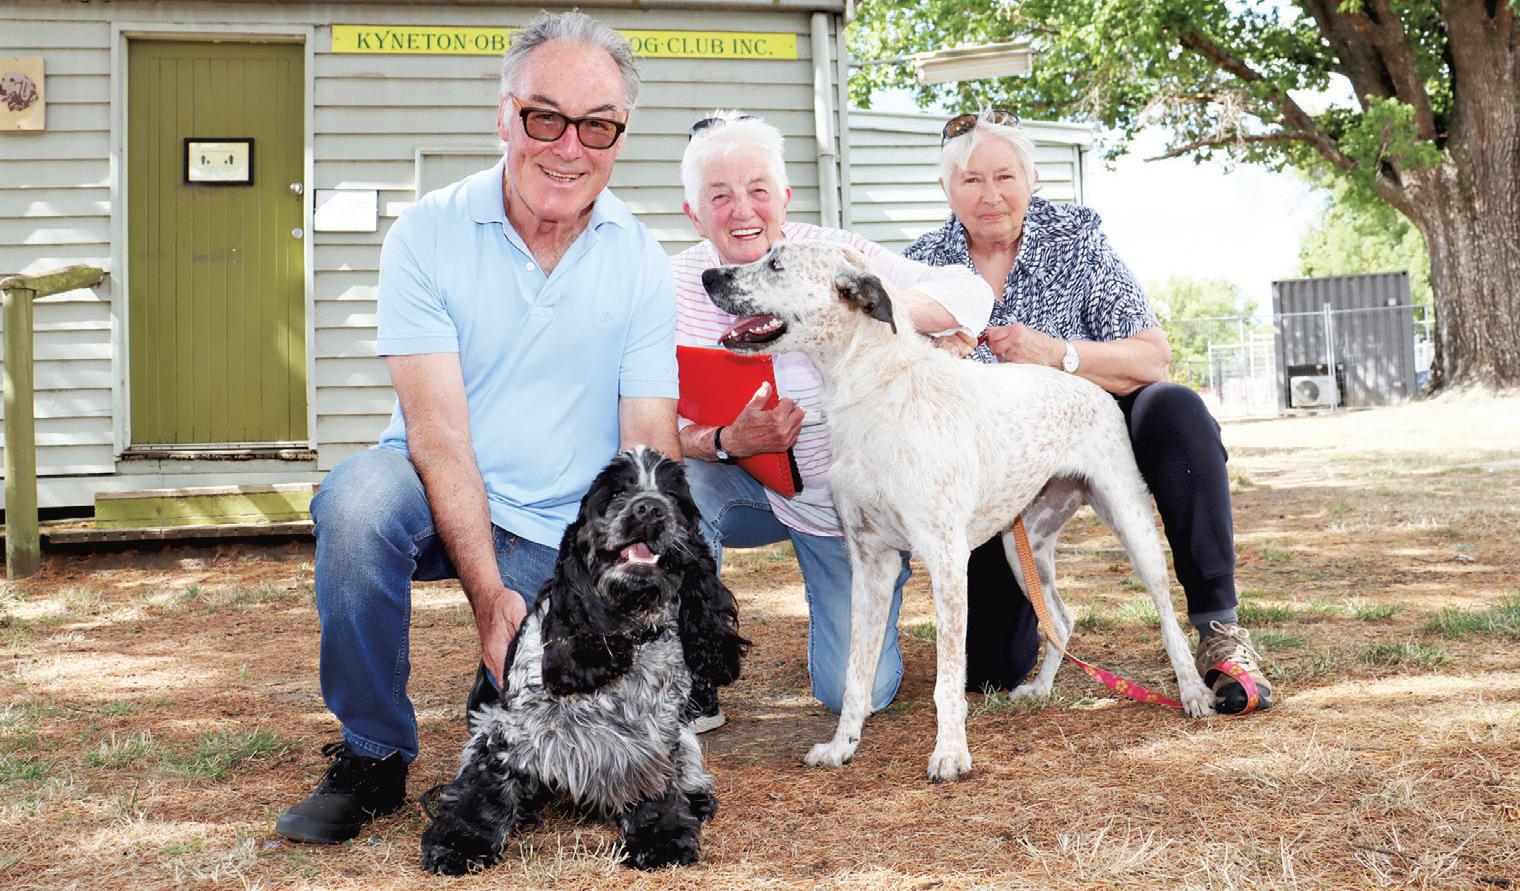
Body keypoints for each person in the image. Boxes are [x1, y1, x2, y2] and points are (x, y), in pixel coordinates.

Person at [276, 12, 681, 845]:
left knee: (521, 726)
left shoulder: (641, 258)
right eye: (545, 117)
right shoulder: (427, 232)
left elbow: (647, 443)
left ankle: (501, 702)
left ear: (620, 135)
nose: (568, 147)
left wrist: (637, 579)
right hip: (436, 486)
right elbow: (438, 437)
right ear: (504, 114)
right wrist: (490, 598)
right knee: (355, 504)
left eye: (597, 125)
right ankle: (372, 752)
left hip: (561, 525)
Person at [904, 109, 1274, 713]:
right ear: (947, 189)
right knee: (993, 671)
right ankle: (1039, 627)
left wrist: (1057, 353)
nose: (991, 195)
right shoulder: (922, 265)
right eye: (971, 180)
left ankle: (1219, 627)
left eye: (1005, 176)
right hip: (990, 471)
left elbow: (1152, 356)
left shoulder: (1076, 240)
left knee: (1176, 409)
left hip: (1097, 425)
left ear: (1032, 179)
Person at [672, 110, 994, 725]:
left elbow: (969, 292)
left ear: (785, 198)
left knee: (856, 695)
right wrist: (724, 440)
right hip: (745, 488)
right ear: (694, 213)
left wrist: (855, 305)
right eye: (720, 196)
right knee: (671, 488)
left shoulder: (833, 256)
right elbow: (640, 417)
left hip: (842, 508)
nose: (742, 210)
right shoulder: (673, 286)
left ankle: (871, 578)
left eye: (758, 190)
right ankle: (691, 680)